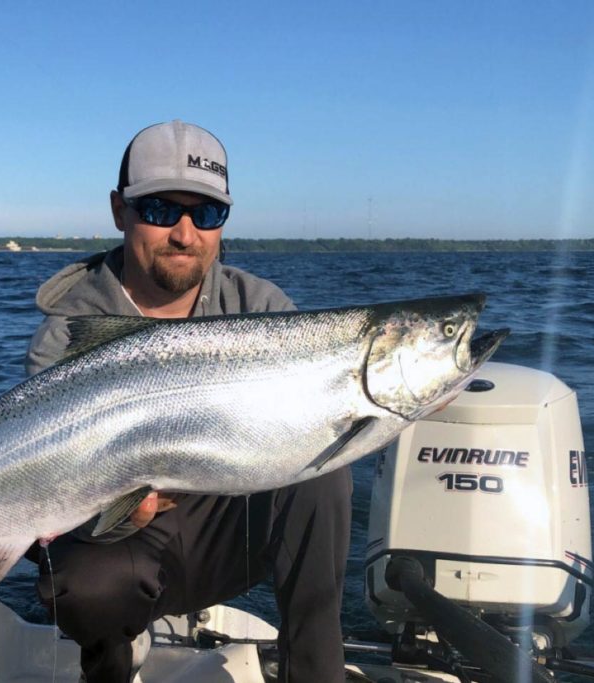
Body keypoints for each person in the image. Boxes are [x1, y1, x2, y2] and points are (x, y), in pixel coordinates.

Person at [25, 120, 353, 683]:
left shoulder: (261, 309)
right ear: (118, 211)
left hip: (235, 524)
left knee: (324, 463)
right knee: (87, 587)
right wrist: (118, 512)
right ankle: (110, 662)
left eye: (205, 214)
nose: (184, 233)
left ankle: (317, 674)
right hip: (123, 535)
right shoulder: (66, 335)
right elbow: (48, 499)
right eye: (158, 209)